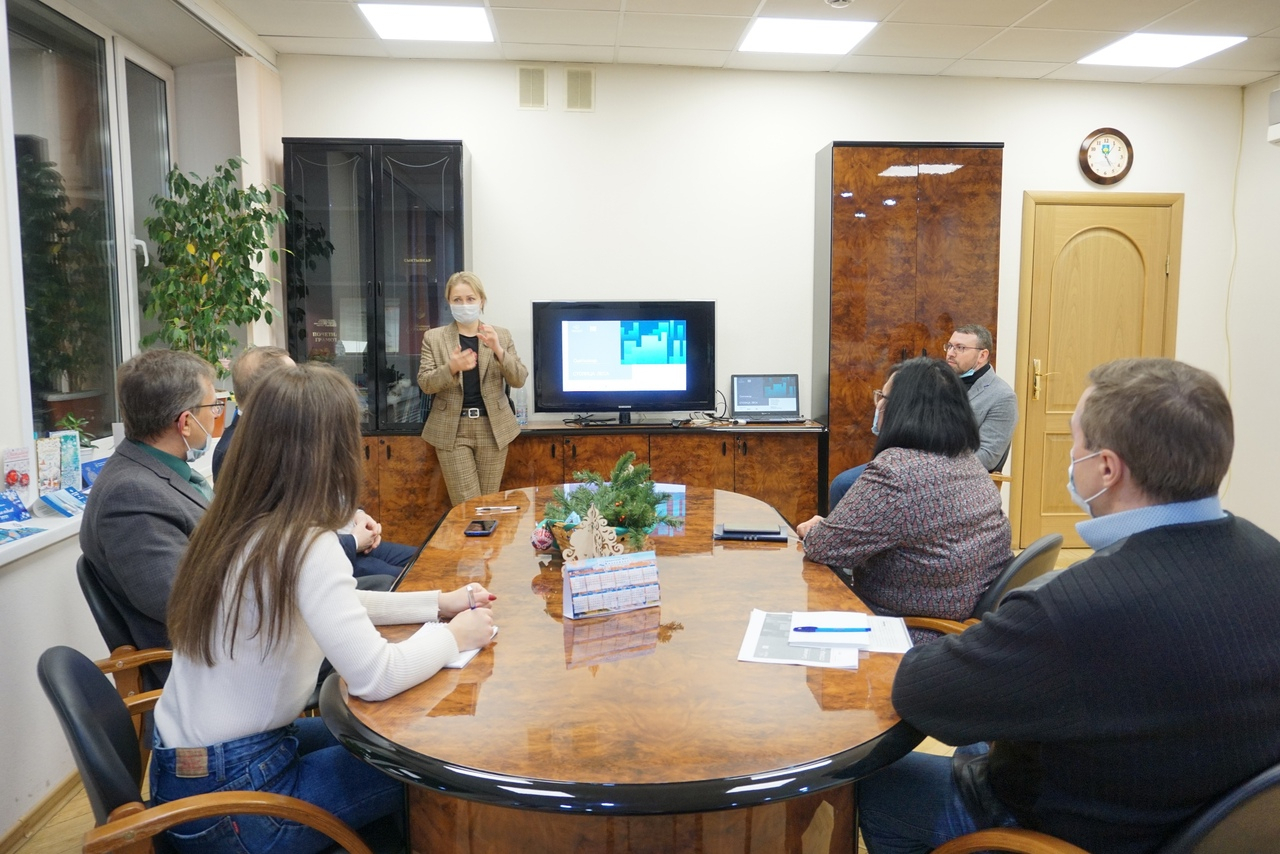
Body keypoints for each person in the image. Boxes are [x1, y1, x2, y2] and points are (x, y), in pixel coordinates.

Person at [859, 358, 1280, 854]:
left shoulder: (1076, 606)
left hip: (1065, 831)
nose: (1071, 455)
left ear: (1105, 467)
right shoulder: (1269, 556)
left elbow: (921, 695)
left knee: (870, 785)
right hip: (1191, 811)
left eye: (1074, 441)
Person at [151, 362, 497, 854]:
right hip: (234, 805)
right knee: (433, 772)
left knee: (391, 743)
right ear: (330, 452)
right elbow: (375, 677)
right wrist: (455, 636)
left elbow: (333, 604)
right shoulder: (304, 545)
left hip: (184, 774)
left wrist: (438, 604)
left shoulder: (238, 524)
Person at [796, 358, 1012, 639]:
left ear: (901, 408)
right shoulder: (968, 461)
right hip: (961, 623)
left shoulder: (895, 472)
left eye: (882, 397)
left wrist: (814, 529)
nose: (878, 405)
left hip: (906, 632)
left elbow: (824, 548)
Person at [216, 345, 416, 580]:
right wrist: (352, 541)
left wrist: (357, 515)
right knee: (410, 580)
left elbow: (327, 494)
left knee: (425, 559)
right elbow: (279, 543)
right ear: (273, 388)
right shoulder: (238, 450)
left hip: (345, 537)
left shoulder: (286, 430)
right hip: (321, 558)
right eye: (295, 378)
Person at [80, 349, 219, 669]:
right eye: (213, 406)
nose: (215, 416)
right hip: (203, 668)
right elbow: (190, 606)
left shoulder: (162, 471)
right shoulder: (130, 496)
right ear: (186, 422)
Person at [828, 324, 1017, 508]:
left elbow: (988, 456)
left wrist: (932, 466)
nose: (950, 353)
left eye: (960, 348)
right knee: (842, 484)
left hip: (952, 475)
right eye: (949, 346)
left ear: (982, 355)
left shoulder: (1001, 396)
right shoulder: (939, 381)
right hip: (910, 462)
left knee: (846, 485)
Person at [418, 271, 528, 505]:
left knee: (487, 505)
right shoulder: (434, 338)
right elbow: (426, 384)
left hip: (493, 429)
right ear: (449, 302)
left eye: (470, 299)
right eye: (457, 300)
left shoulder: (500, 335)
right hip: (453, 430)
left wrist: (498, 350)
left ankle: (485, 544)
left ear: (481, 301)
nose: (464, 305)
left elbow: (519, 379)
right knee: (468, 507)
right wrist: (451, 368)